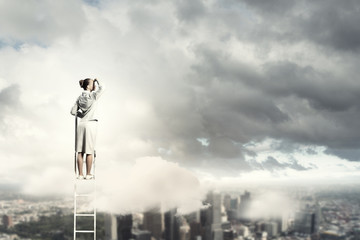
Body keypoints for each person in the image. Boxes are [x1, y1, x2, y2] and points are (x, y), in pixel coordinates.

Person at [71, 78, 105, 180]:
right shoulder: (93, 96)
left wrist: (81, 115)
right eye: (92, 84)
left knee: (80, 151)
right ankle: (88, 174)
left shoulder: (79, 98)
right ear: (88, 86)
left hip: (81, 125)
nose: (94, 86)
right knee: (89, 151)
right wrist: (98, 79)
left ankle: (80, 174)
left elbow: (73, 112)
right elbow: (103, 88)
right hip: (91, 124)